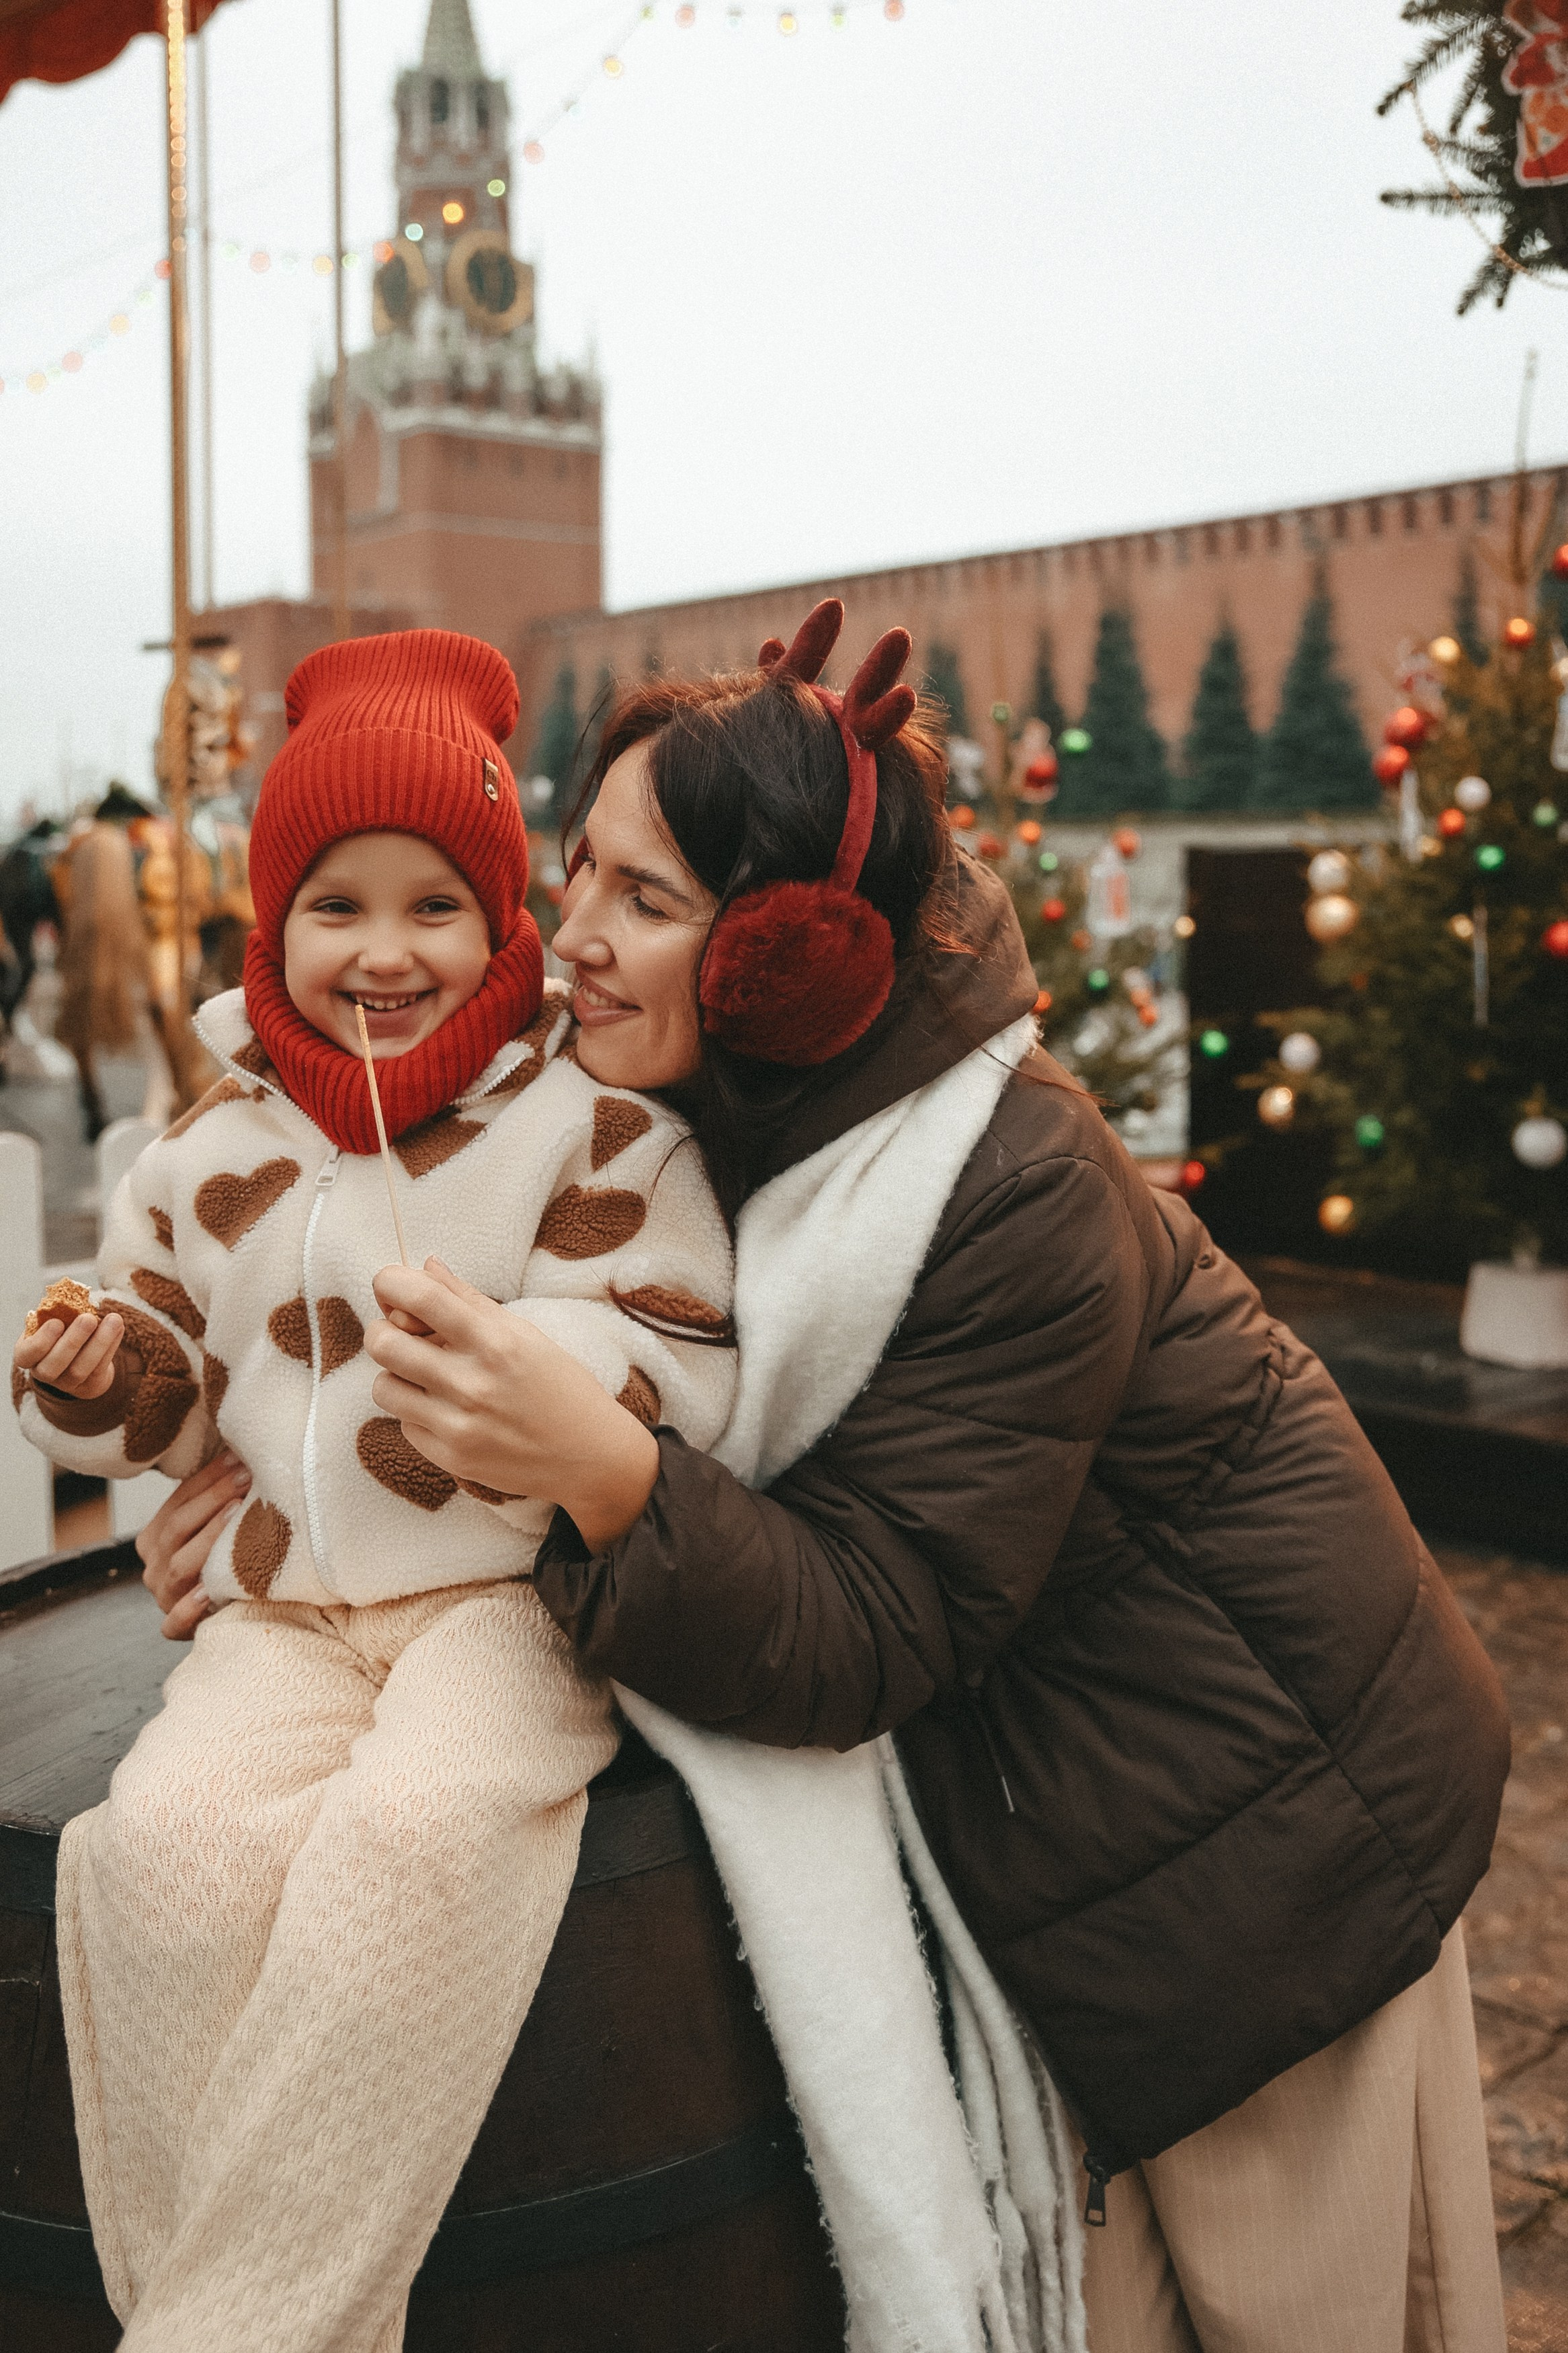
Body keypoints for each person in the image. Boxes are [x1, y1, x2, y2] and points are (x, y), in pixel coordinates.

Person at [140, 601, 1513, 2353]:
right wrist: (271, 1471)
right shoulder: (690, 1090)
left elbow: (872, 1617)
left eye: (646, 897)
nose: (574, 935)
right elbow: (411, 1264)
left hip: (1259, 1825)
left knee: (1281, 2309)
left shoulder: (1013, 1185)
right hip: (1060, 1819)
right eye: (577, 870)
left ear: (785, 949)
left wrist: (609, 1473)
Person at [11, 629, 736, 2353]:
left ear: (501, 923)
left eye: (436, 905)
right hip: (281, 1616)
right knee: (155, 1855)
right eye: (338, 904)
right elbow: (171, 1382)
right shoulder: (212, 1147)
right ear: (274, 927)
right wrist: (101, 1381)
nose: (387, 950)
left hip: (508, 1600)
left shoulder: (586, 1125)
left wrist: (530, 1369)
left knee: (416, 1845)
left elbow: (675, 1336)